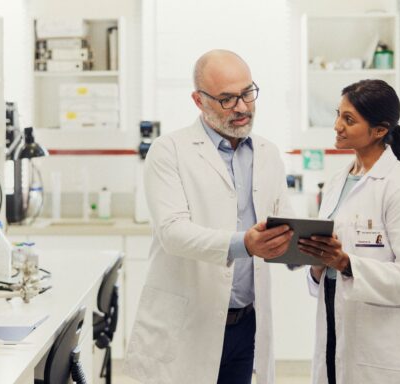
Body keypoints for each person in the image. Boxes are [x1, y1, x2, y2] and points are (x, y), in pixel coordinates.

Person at [124, 49, 294, 384]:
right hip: (189, 325)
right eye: (227, 99)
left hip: (246, 324)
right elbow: (173, 232)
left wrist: (310, 252)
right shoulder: (168, 150)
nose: (242, 107)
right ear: (198, 100)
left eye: (247, 93)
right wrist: (243, 243)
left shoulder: (268, 153)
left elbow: (284, 225)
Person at [297, 79, 400, 384]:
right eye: (338, 114)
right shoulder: (336, 183)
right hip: (336, 327)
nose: (337, 126)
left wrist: (346, 263)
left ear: (380, 130)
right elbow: (328, 266)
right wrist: (318, 262)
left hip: (382, 349)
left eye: (349, 120)